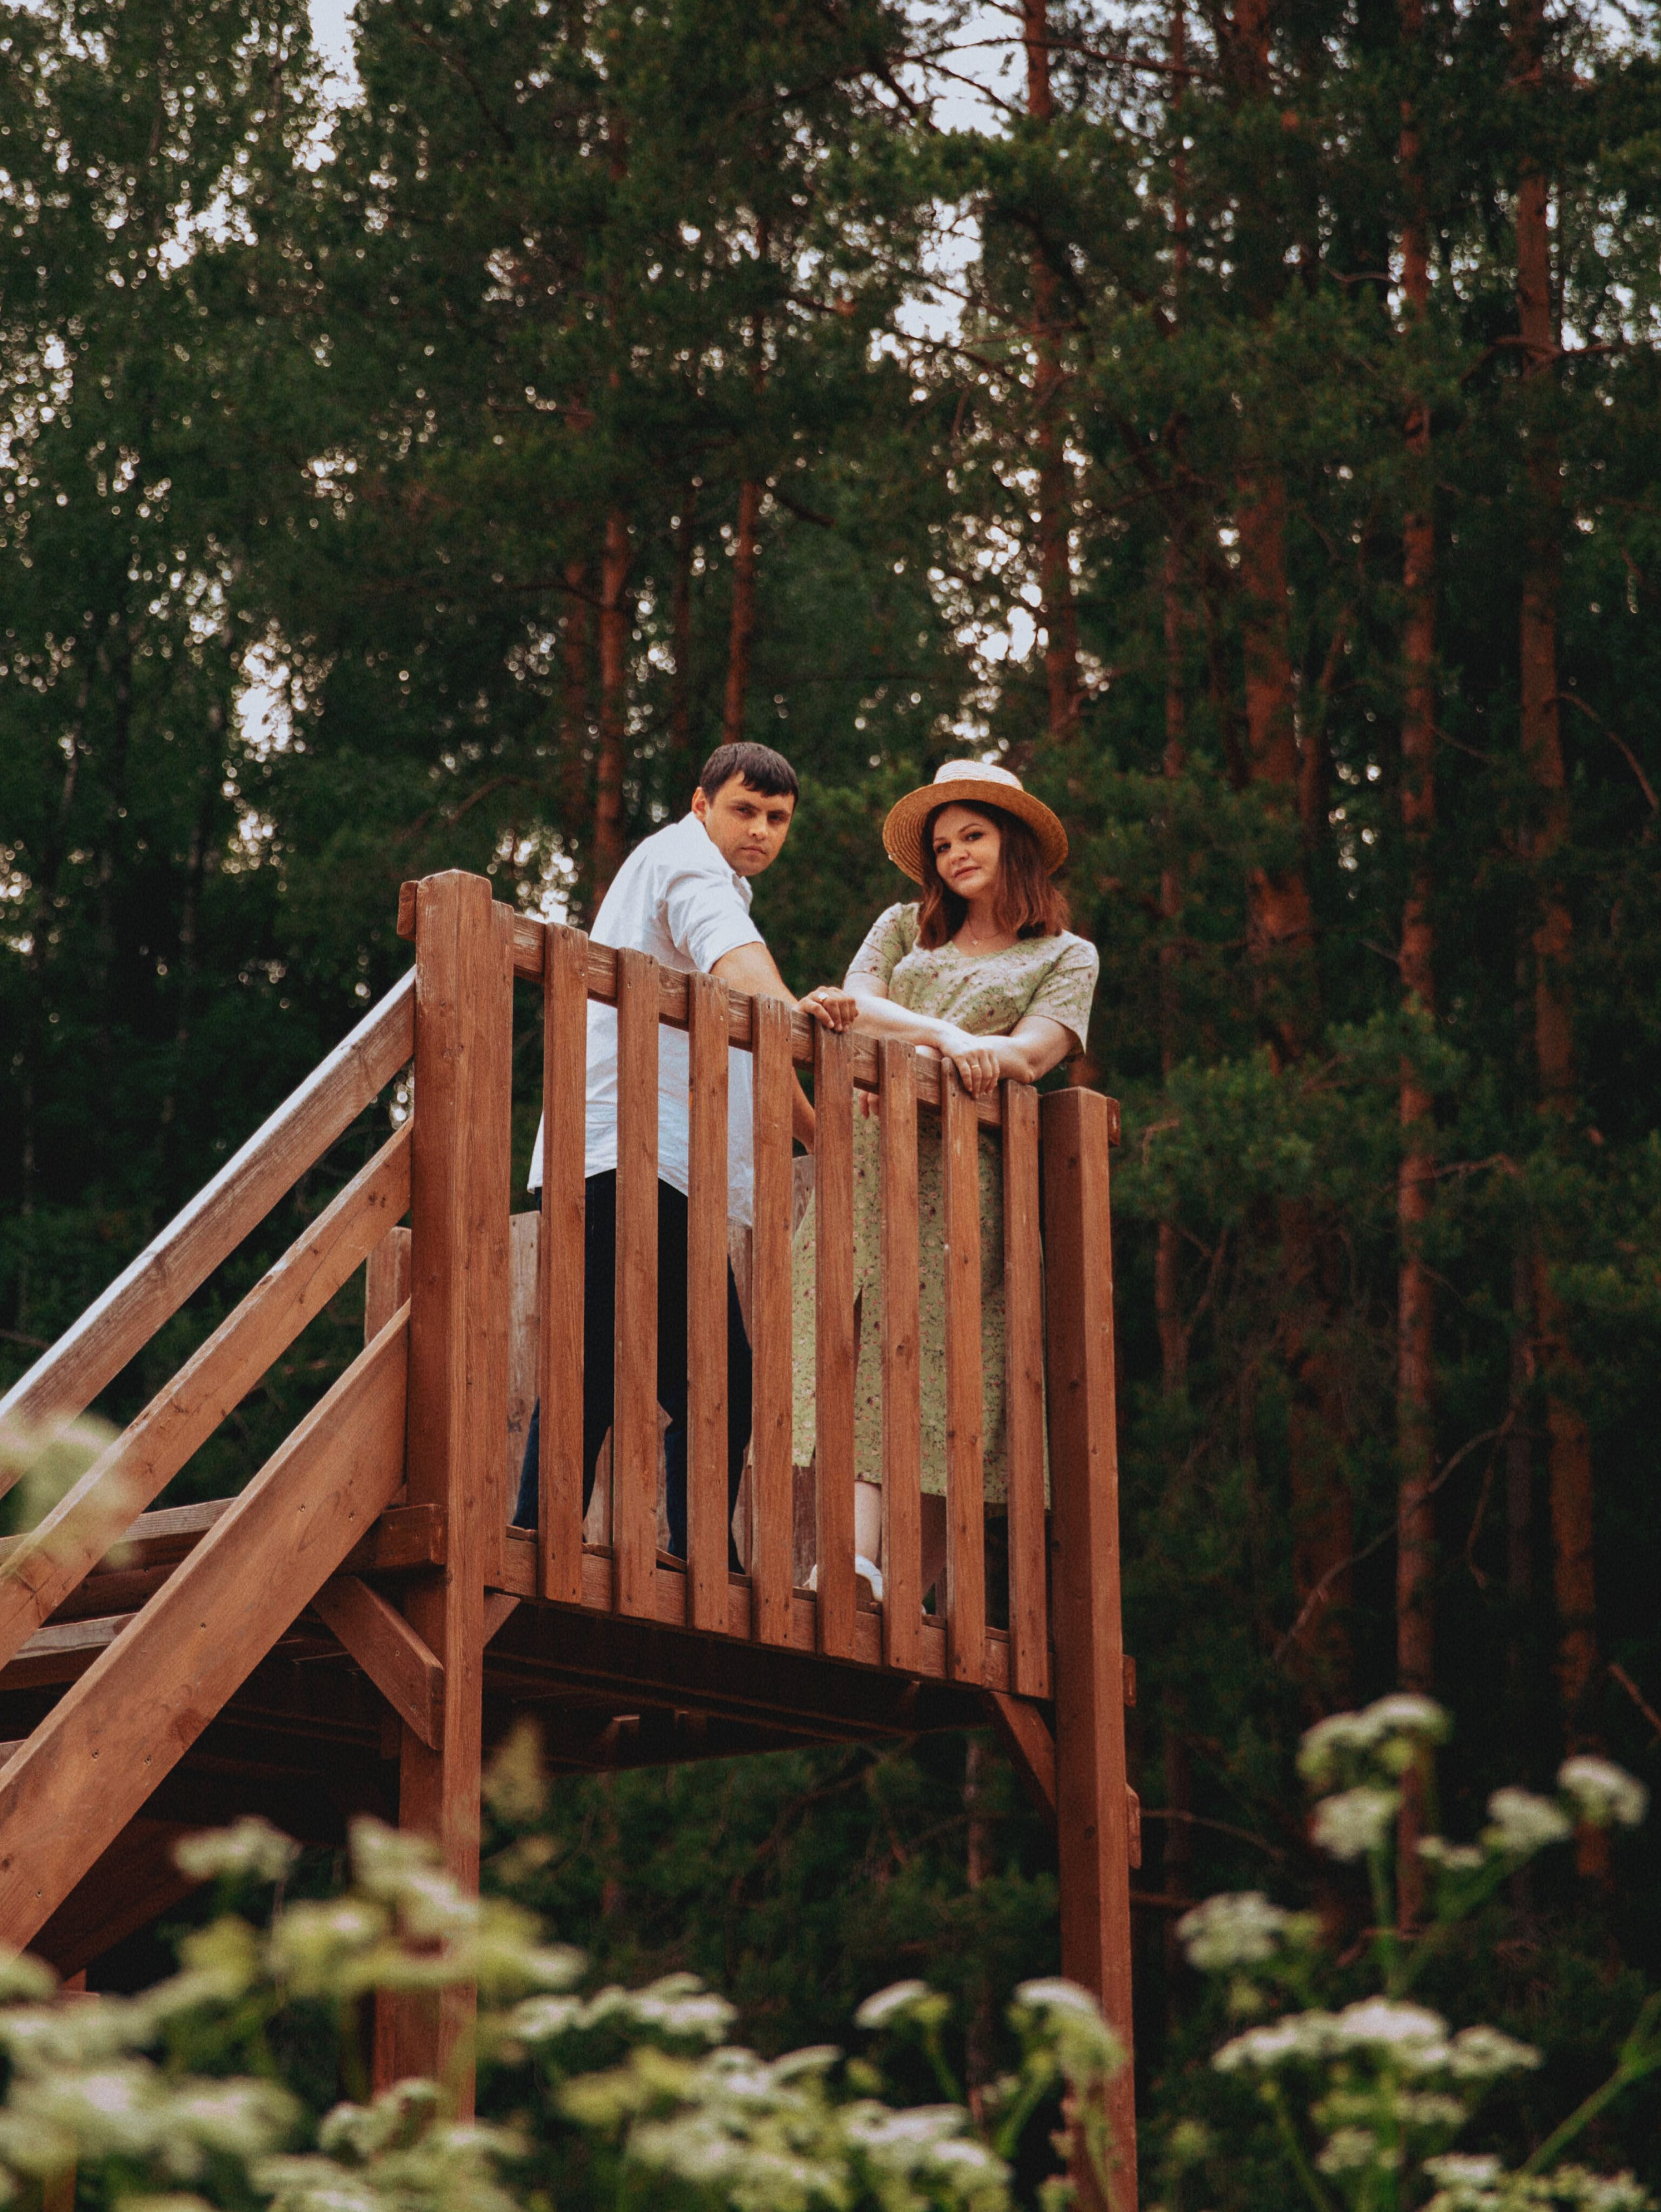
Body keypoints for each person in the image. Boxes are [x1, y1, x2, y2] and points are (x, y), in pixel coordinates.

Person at [513, 741, 853, 1558]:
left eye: (777, 819)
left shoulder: (715, 886)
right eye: (745, 810)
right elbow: (739, 970)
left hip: (672, 1162)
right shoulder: (682, 862)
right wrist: (791, 1009)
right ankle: (535, 1525)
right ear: (700, 806)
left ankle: (698, 1544)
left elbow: (746, 1048)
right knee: (612, 1350)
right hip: (622, 1145)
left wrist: (827, 1139)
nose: (761, 830)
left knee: (714, 1373)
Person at [789, 760, 1099, 1602]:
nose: (956, 853)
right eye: (943, 843)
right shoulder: (900, 928)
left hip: (964, 1180)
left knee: (940, 1366)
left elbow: (1032, 1054)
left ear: (1015, 843)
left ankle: (902, 1584)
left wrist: (941, 1044)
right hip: (866, 1161)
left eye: (974, 835)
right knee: (844, 1354)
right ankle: (846, 1564)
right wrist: (947, 1036)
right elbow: (853, 1008)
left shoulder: (1067, 955)